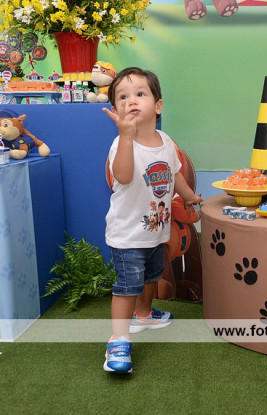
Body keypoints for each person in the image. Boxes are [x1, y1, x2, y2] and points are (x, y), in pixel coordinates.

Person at [102, 67, 203, 374]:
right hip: (127, 235)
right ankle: (118, 339)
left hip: (156, 231)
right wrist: (125, 136)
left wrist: (188, 196)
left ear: (157, 106)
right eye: (122, 97)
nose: (131, 100)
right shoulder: (122, 144)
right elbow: (121, 176)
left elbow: (175, 174)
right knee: (127, 287)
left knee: (151, 278)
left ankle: (144, 313)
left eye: (140, 94)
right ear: (116, 108)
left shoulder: (166, 141)